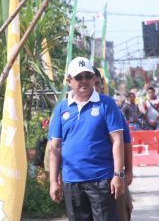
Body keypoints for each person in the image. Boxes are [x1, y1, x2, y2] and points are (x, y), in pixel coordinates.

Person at [49, 57, 125, 220]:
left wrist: (119, 175)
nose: (84, 81)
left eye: (88, 76)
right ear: (69, 81)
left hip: (102, 180)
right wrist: (53, 181)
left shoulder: (107, 104)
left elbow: (118, 141)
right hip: (72, 182)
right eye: (79, 77)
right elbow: (54, 147)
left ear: (94, 79)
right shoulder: (61, 108)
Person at [94, 67, 133, 221]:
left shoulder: (112, 108)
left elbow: (126, 142)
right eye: (93, 84)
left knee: (120, 214)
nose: (95, 88)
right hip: (86, 178)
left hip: (113, 174)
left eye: (98, 84)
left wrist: (128, 171)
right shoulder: (72, 109)